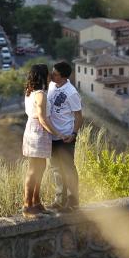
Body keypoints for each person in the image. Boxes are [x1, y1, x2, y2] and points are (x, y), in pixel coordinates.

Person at [22, 64, 65, 217]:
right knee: (34, 170)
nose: (49, 77)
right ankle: (27, 206)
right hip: (38, 132)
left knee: (39, 169)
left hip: (33, 130)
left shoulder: (30, 92)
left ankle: (36, 202)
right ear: (42, 76)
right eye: (47, 74)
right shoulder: (40, 94)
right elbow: (42, 118)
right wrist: (58, 133)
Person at [48, 60, 83, 212]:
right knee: (56, 168)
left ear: (62, 77)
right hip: (52, 136)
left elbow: (79, 116)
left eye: (54, 74)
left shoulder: (71, 92)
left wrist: (74, 134)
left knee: (68, 168)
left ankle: (73, 201)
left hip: (66, 137)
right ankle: (59, 200)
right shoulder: (51, 86)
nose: (52, 75)